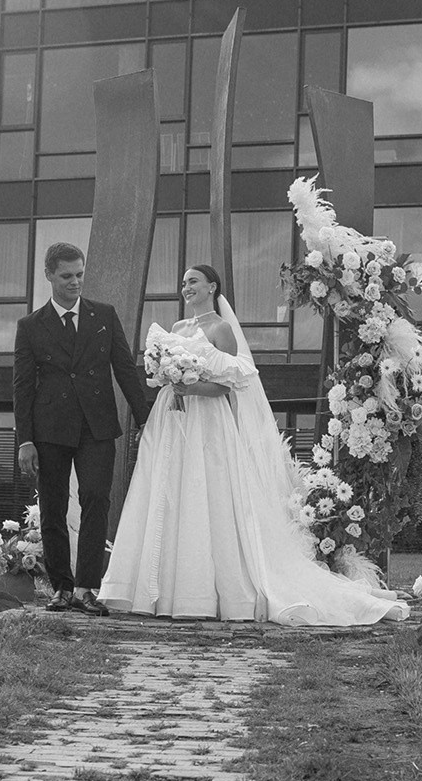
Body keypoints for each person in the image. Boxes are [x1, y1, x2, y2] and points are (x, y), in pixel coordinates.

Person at [98, 264, 406, 625]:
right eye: (183, 283)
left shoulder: (222, 329)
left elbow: (228, 385)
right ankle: (158, 587)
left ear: (212, 286)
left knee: (205, 491)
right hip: (172, 419)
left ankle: (201, 593)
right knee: (169, 490)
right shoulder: (178, 329)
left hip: (206, 421)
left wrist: (191, 386)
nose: (186, 288)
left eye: (193, 282)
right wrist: (168, 378)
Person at [12, 242, 153, 616]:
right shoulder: (29, 326)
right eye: (66, 276)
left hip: (97, 426)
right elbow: (22, 386)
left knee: (96, 499)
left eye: (79, 275)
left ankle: (87, 588)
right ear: (49, 276)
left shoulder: (103, 315)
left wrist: (146, 420)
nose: (75, 282)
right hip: (49, 430)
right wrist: (25, 439)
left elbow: (124, 368)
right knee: (53, 508)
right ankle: (61, 588)